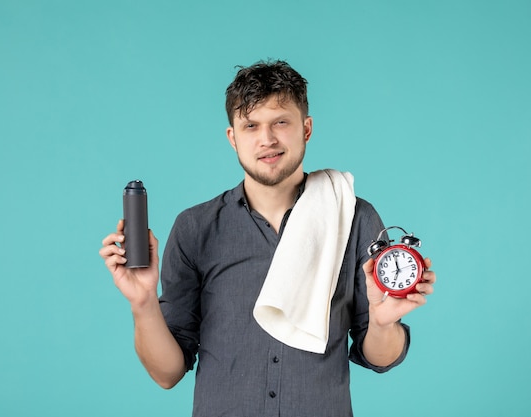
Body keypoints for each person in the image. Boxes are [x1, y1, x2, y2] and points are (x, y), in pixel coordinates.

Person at [99, 60, 436, 417]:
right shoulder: (194, 228)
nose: (267, 139)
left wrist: (384, 323)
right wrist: (142, 302)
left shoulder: (353, 217)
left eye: (280, 122)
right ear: (233, 137)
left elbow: (380, 356)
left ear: (306, 129)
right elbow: (166, 373)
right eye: (251, 126)